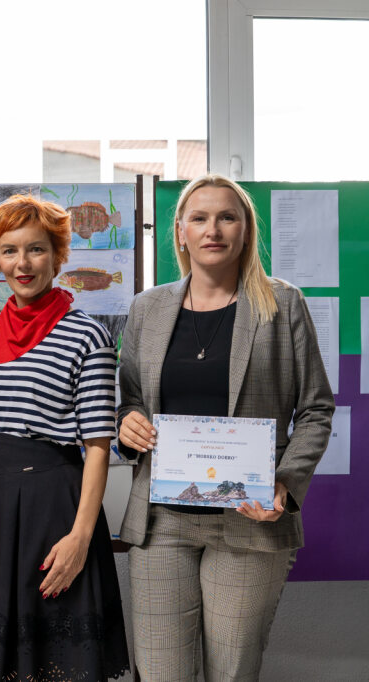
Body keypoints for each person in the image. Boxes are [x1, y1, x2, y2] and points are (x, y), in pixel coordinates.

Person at [117, 174, 334, 681]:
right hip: (162, 520)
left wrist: (285, 483)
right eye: (199, 218)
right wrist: (127, 423)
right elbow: (130, 399)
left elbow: (316, 409)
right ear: (181, 231)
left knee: (231, 672)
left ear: (246, 230)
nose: (212, 229)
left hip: (249, 519)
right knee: (160, 671)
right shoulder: (148, 307)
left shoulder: (282, 304)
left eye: (227, 217)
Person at [0, 194, 131, 681]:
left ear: (58, 256)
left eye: (36, 249)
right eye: (9, 251)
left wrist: (81, 538)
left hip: (57, 505)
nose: (22, 263)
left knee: (59, 659)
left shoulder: (87, 335)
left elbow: (97, 446)